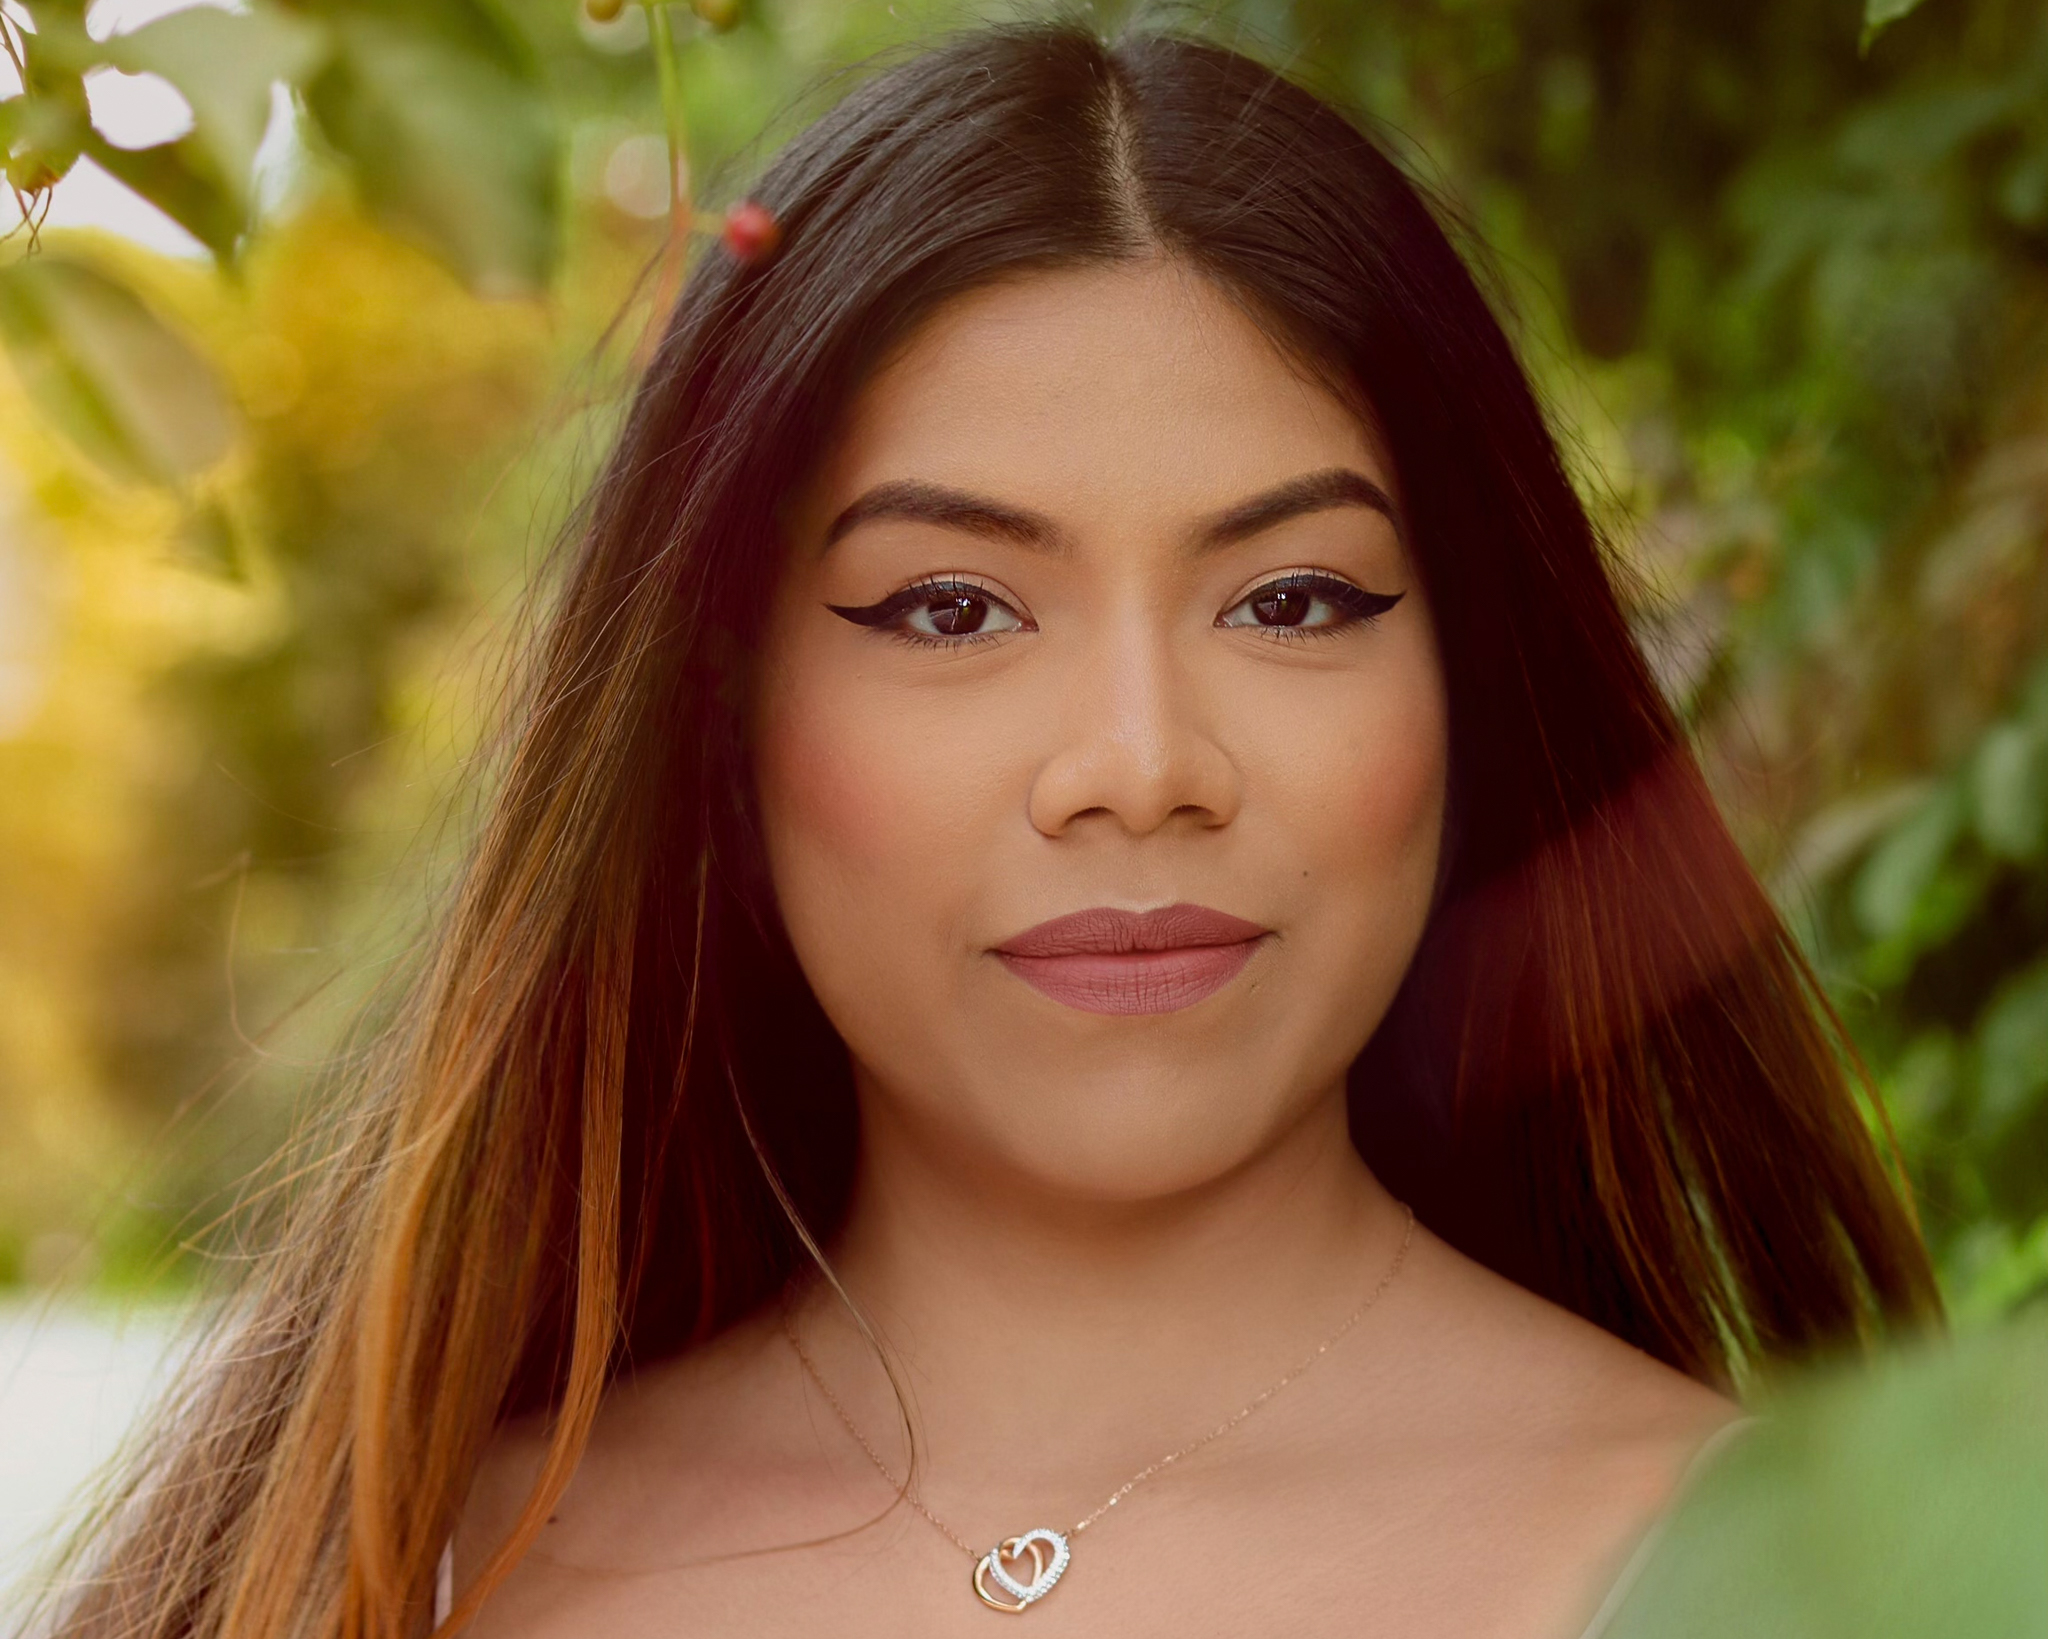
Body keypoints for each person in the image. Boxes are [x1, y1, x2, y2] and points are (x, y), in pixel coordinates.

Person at [33, 20, 1940, 1639]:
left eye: (1294, 600)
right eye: (950, 607)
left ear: (1467, 686)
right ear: (719, 719)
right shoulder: (395, 1573)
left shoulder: (1818, 1575)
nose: (1136, 761)